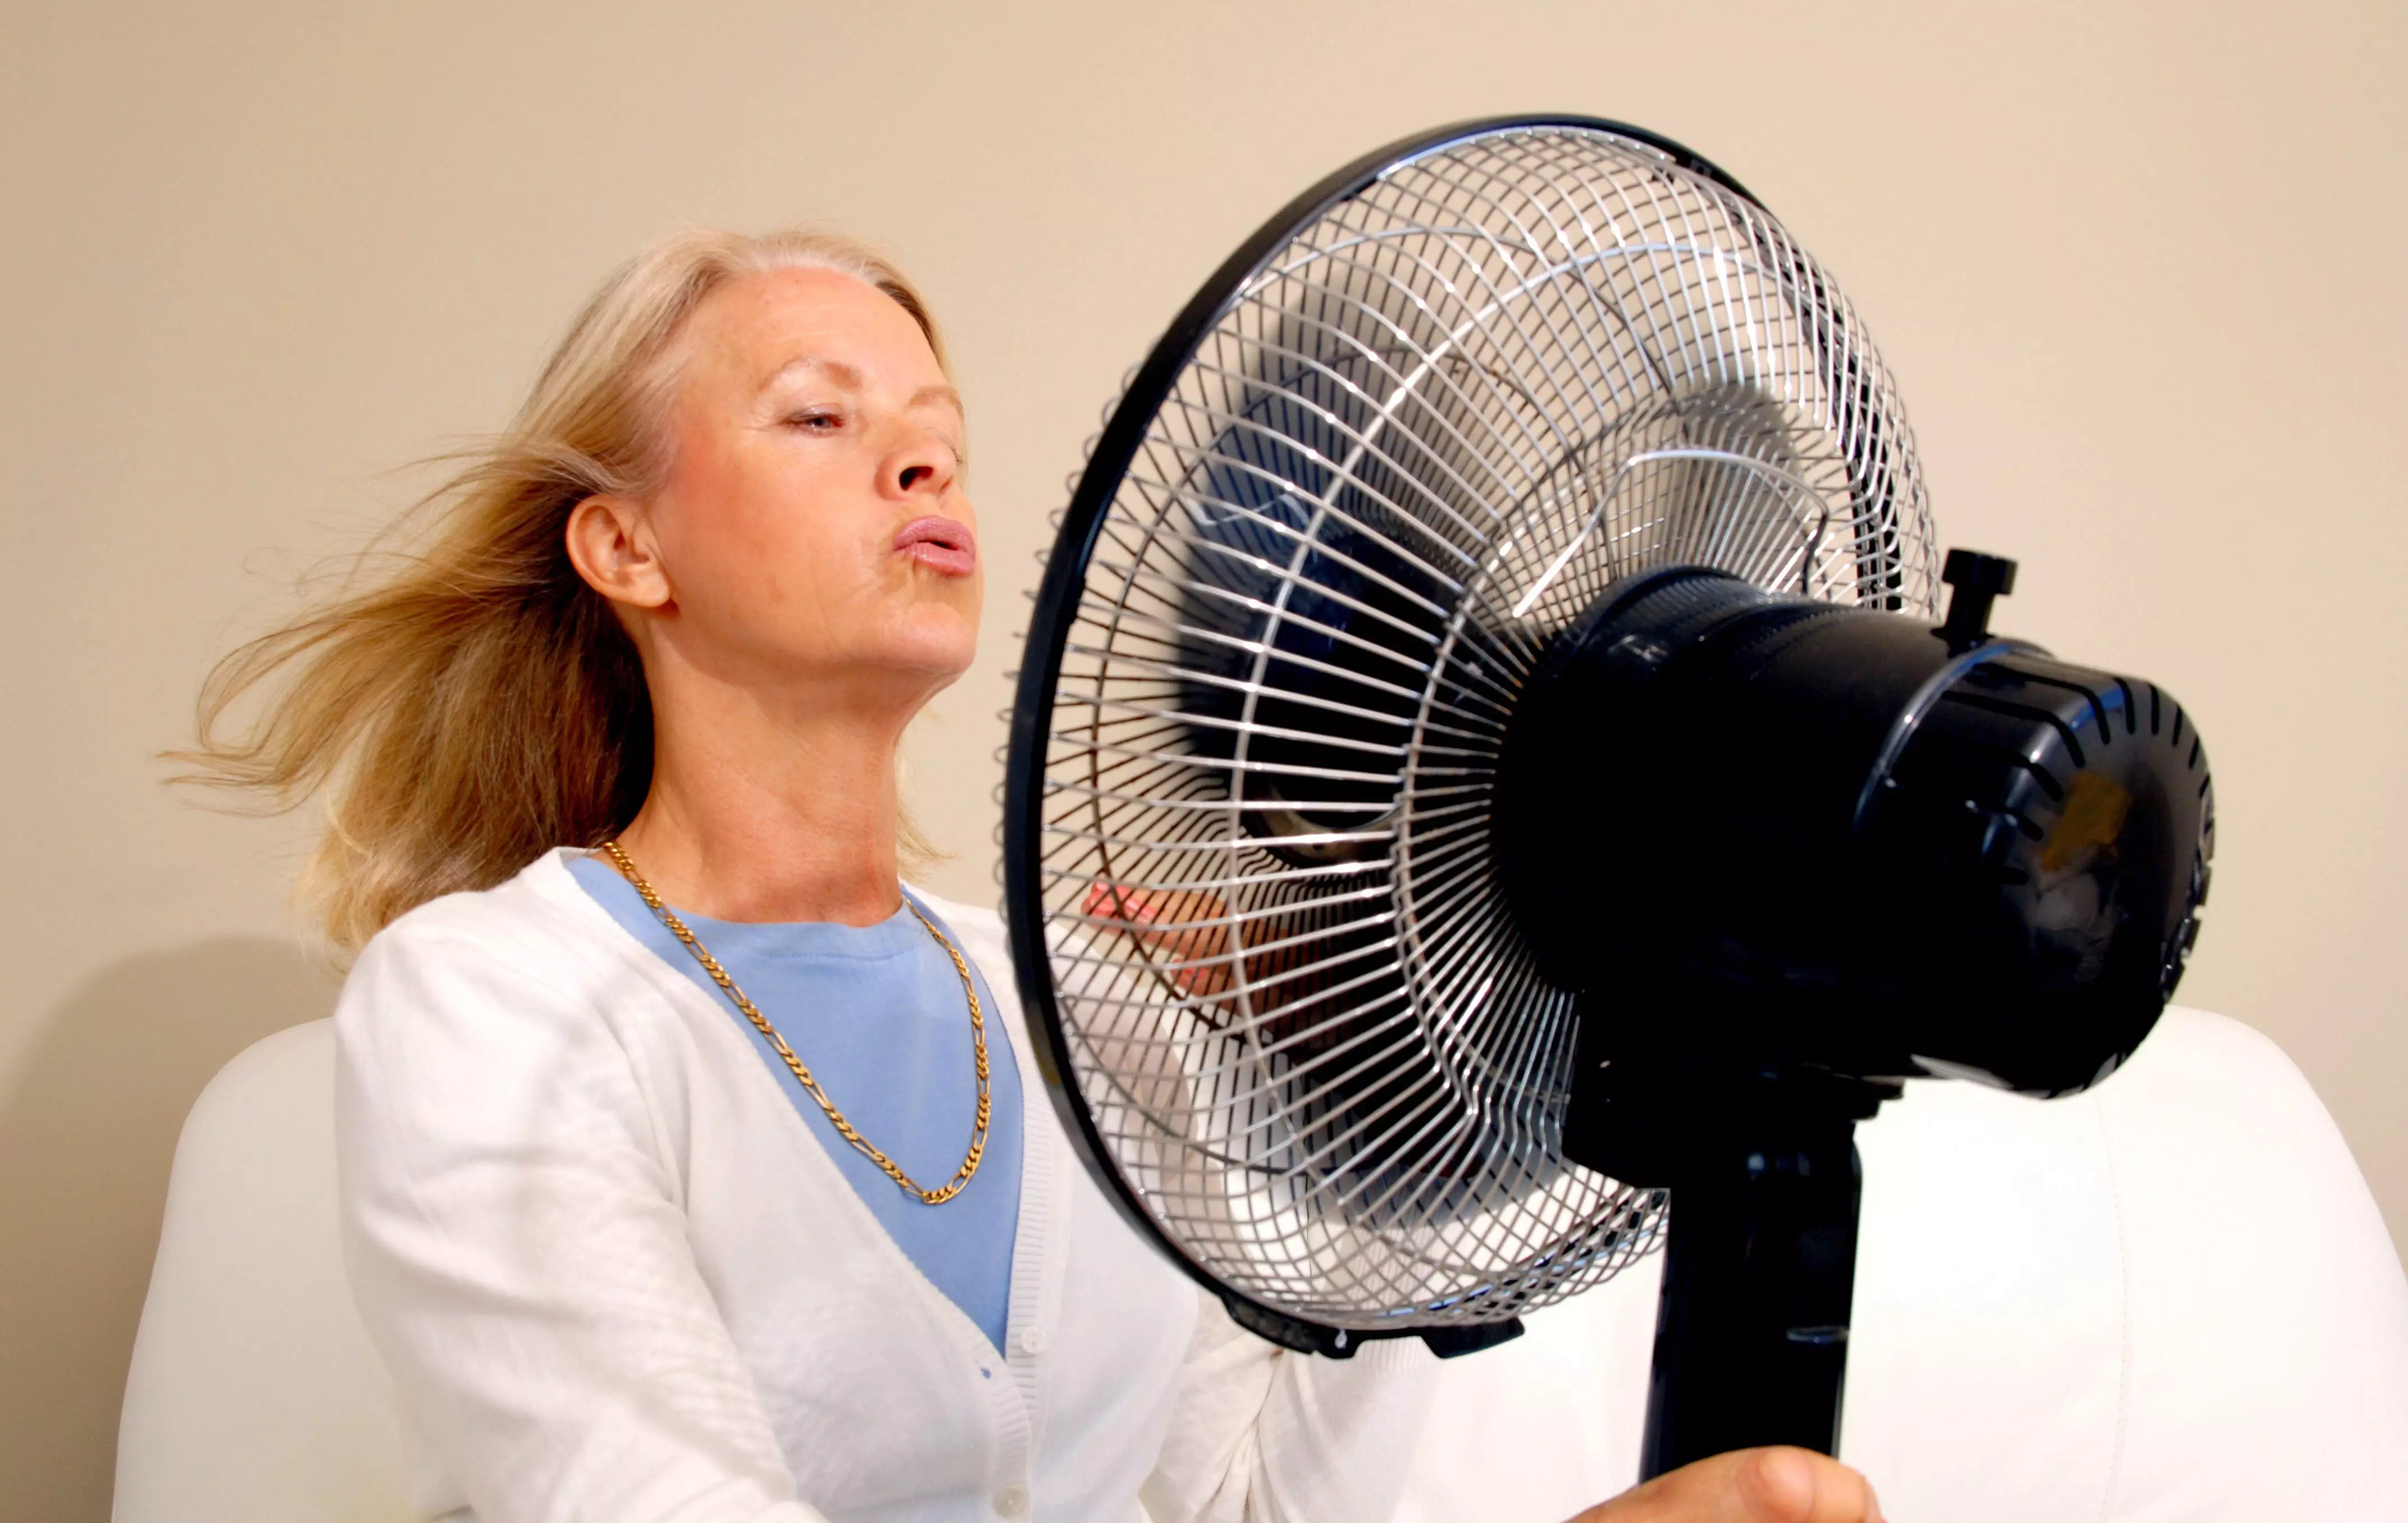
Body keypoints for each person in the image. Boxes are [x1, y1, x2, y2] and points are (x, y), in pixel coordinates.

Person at [183, 226, 1885, 1523]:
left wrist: (1339, 1066)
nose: (923, 465)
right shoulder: (494, 1003)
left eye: (941, 432)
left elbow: (1241, 1508)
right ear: (627, 546)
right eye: (820, 417)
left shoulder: (1093, 1018)